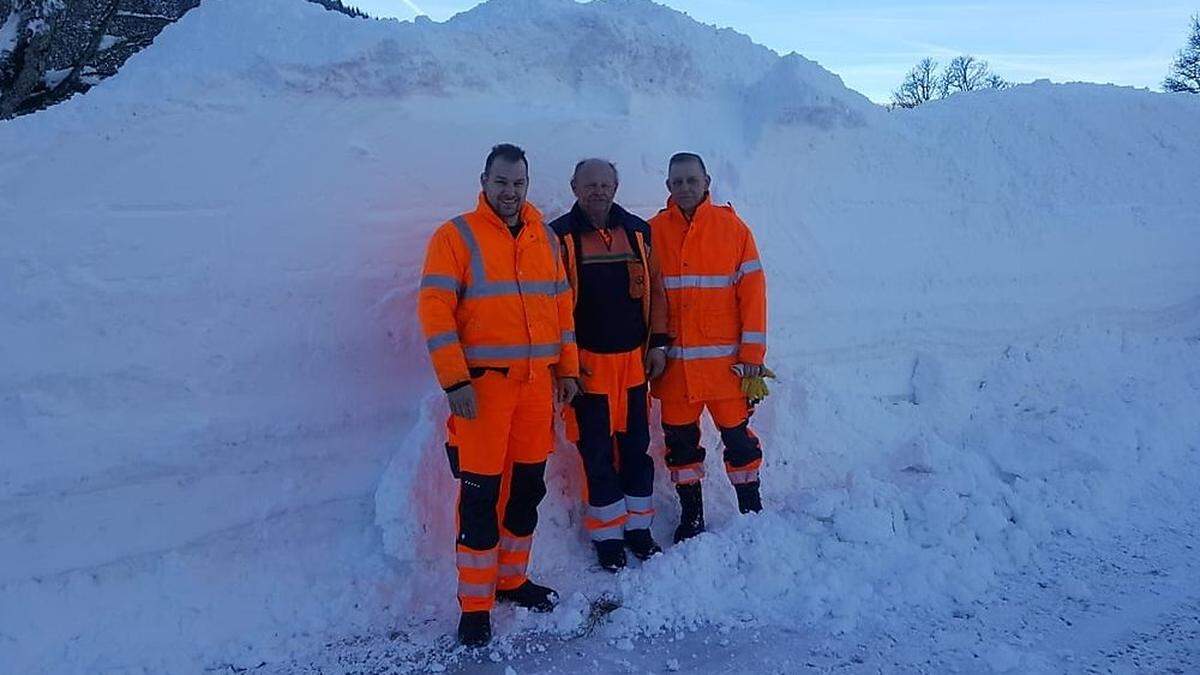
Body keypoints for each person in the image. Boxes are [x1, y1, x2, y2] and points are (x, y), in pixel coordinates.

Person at [417, 143, 581, 647]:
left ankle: (511, 580)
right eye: (501, 182)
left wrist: (567, 370)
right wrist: (455, 381)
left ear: (527, 185)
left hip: (536, 389)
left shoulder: (544, 238)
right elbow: (435, 309)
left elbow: (561, 309)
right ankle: (475, 604)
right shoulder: (456, 236)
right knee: (481, 497)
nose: (510, 192)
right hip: (481, 392)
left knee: (528, 488)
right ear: (484, 181)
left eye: (518, 183)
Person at [549, 159, 669, 572]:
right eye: (589, 184)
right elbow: (553, 307)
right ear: (574, 186)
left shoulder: (638, 232)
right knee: (597, 453)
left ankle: (639, 529)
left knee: (637, 449)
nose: (598, 191)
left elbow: (657, 291)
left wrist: (658, 345)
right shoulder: (559, 236)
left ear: (616, 186)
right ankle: (608, 538)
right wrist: (565, 366)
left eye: (604, 183)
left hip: (635, 366)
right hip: (589, 370)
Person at [648, 152, 768, 543]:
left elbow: (753, 297)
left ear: (706, 182)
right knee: (681, 448)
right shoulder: (651, 233)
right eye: (677, 181)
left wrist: (752, 359)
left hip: (726, 371)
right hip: (675, 372)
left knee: (739, 441)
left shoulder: (733, 229)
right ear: (668, 186)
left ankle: (751, 508)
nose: (685, 187)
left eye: (691, 180)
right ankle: (692, 517)